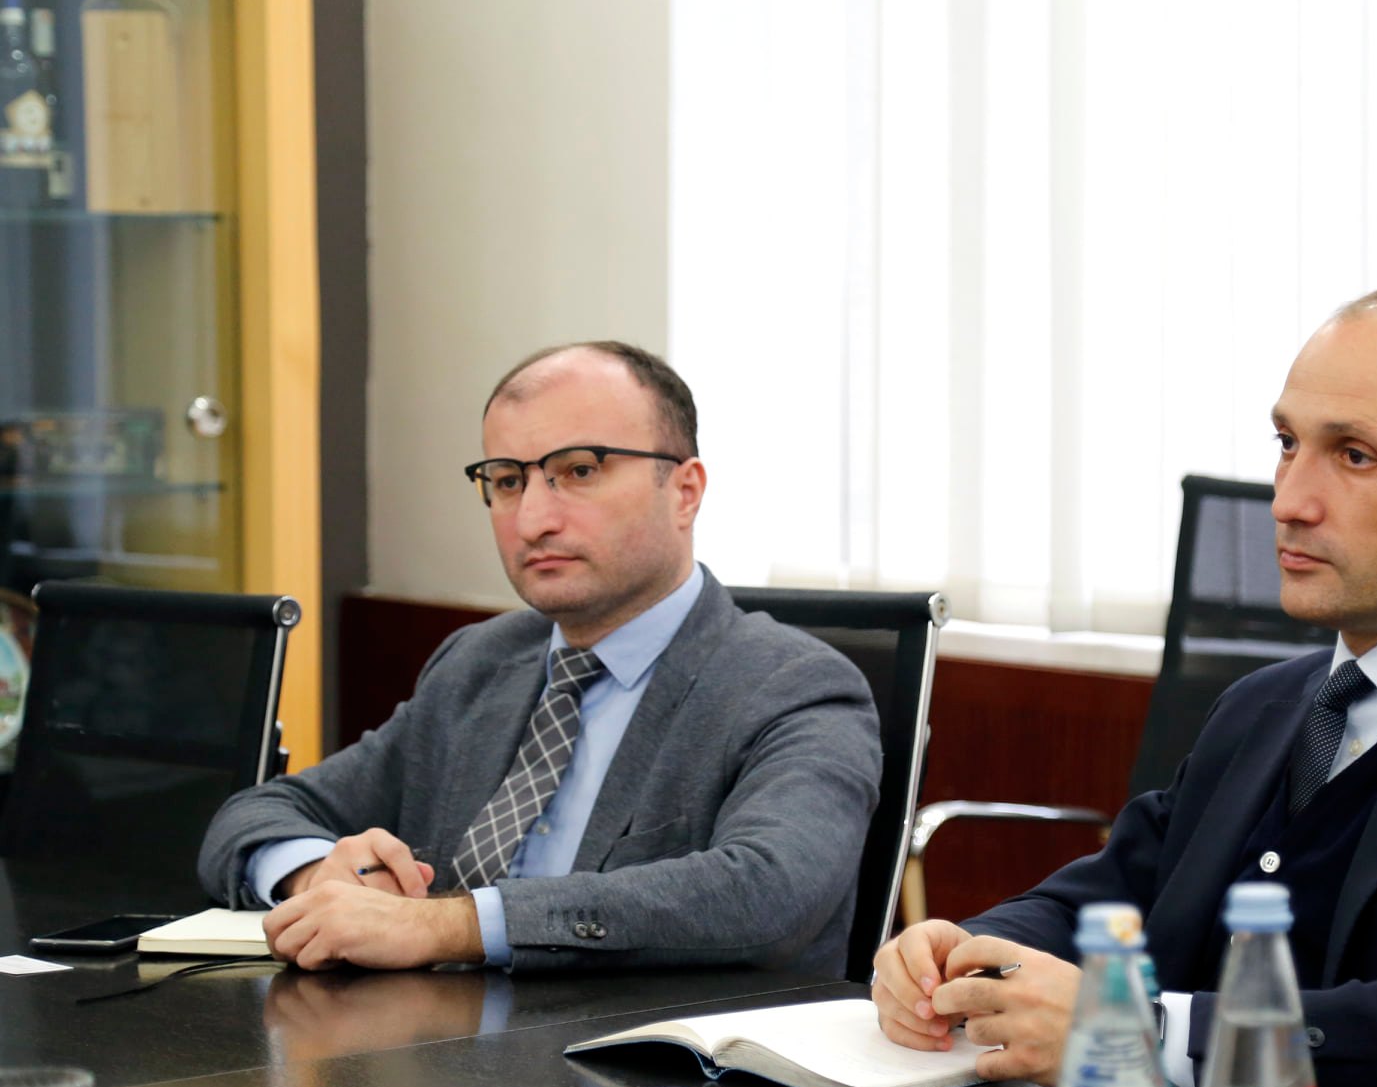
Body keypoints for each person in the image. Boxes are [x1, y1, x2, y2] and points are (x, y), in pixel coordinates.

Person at [872, 285, 1377, 1087]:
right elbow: (1118, 890)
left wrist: (1144, 1029)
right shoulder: (1265, 706)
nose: (1289, 502)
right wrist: (966, 955)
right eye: (1288, 443)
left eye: (1354, 455)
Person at [200, 342, 881, 975]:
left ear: (685, 491)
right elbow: (258, 814)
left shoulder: (795, 686)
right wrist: (319, 877)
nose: (532, 520)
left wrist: (447, 926)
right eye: (505, 481)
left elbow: (769, 893)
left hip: (641, 1058)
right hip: (429, 1043)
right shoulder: (481, 661)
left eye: (579, 471)